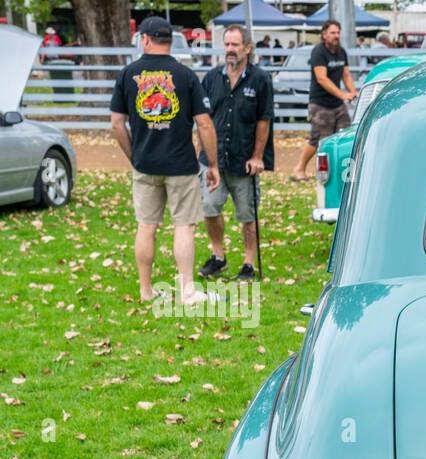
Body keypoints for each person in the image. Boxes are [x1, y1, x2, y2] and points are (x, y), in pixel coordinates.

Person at [109, 16, 219, 304]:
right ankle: (187, 291)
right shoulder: (185, 75)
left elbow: (117, 123)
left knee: (147, 226)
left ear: (145, 39)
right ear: (169, 40)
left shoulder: (127, 74)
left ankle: (146, 291)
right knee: (184, 226)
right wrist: (214, 164)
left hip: (145, 163)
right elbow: (205, 124)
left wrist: (134, 155)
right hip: (181, 164)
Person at [197, 23, 274, 281]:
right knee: (209, 208)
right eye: (227, 44)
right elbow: (203, 118)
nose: (229, 50)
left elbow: (264, 120)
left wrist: (258, 156)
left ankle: (249, 263)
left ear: (248, 48)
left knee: (247, 215)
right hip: (213, 161)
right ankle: (218, 257)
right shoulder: (211, 78)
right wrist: (203, 153)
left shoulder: (260, 79)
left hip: (243, 161)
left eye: (235, 45)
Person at [292, 20, 356, 181]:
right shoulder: (318, 52)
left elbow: (346, 75)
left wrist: (353, 91)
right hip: (320, 104)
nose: (336, 36)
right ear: (324, 35)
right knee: (318, 140)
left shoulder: (341, 52)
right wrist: (343, 95)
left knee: (345, 137)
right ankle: (299, 169)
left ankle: (341, 172)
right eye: (333, 33)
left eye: (338, 32)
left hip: (337, 105)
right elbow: (322, 79)